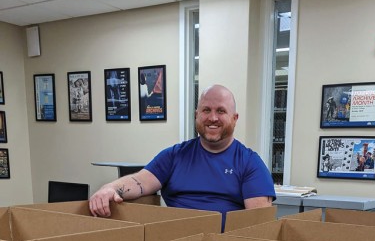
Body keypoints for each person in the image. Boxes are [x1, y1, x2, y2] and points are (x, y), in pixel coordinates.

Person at [89, 84, 276, 231]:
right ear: (196, 115)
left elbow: (258, 227)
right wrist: (109, 188)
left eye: (221, 111)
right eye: (206, 110)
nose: (212, 118)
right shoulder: (174, 156)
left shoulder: (250, 164)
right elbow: (140, 181)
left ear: (234, 118)